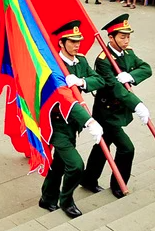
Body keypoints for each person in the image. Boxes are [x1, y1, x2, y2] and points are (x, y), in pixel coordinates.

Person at [40, 20, 109, 217]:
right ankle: (66, 200)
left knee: (60, 163)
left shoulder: (81, 61)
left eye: (78, 40)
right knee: (76, 166)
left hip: (73, 125)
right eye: (72, 41)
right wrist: (89, 121)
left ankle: (46, 198)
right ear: (61, 43)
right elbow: (65, 98)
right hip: (57, 124)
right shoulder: (54, 66)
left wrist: (82, 81)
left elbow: (100, 80)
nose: (77, 44)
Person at [81, 14, 151, 198]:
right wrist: (137, 105)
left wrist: (132, 76)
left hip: (120, 110)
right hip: (107, 112)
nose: (126, 40)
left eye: (128, 36)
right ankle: (119, 184)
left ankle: (88, 179)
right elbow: (114, 89)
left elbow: (146, 68)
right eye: (122, 37)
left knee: (102, 146)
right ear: (111, 38)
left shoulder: (129, 52)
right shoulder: (103, 60)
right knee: (127, 148)